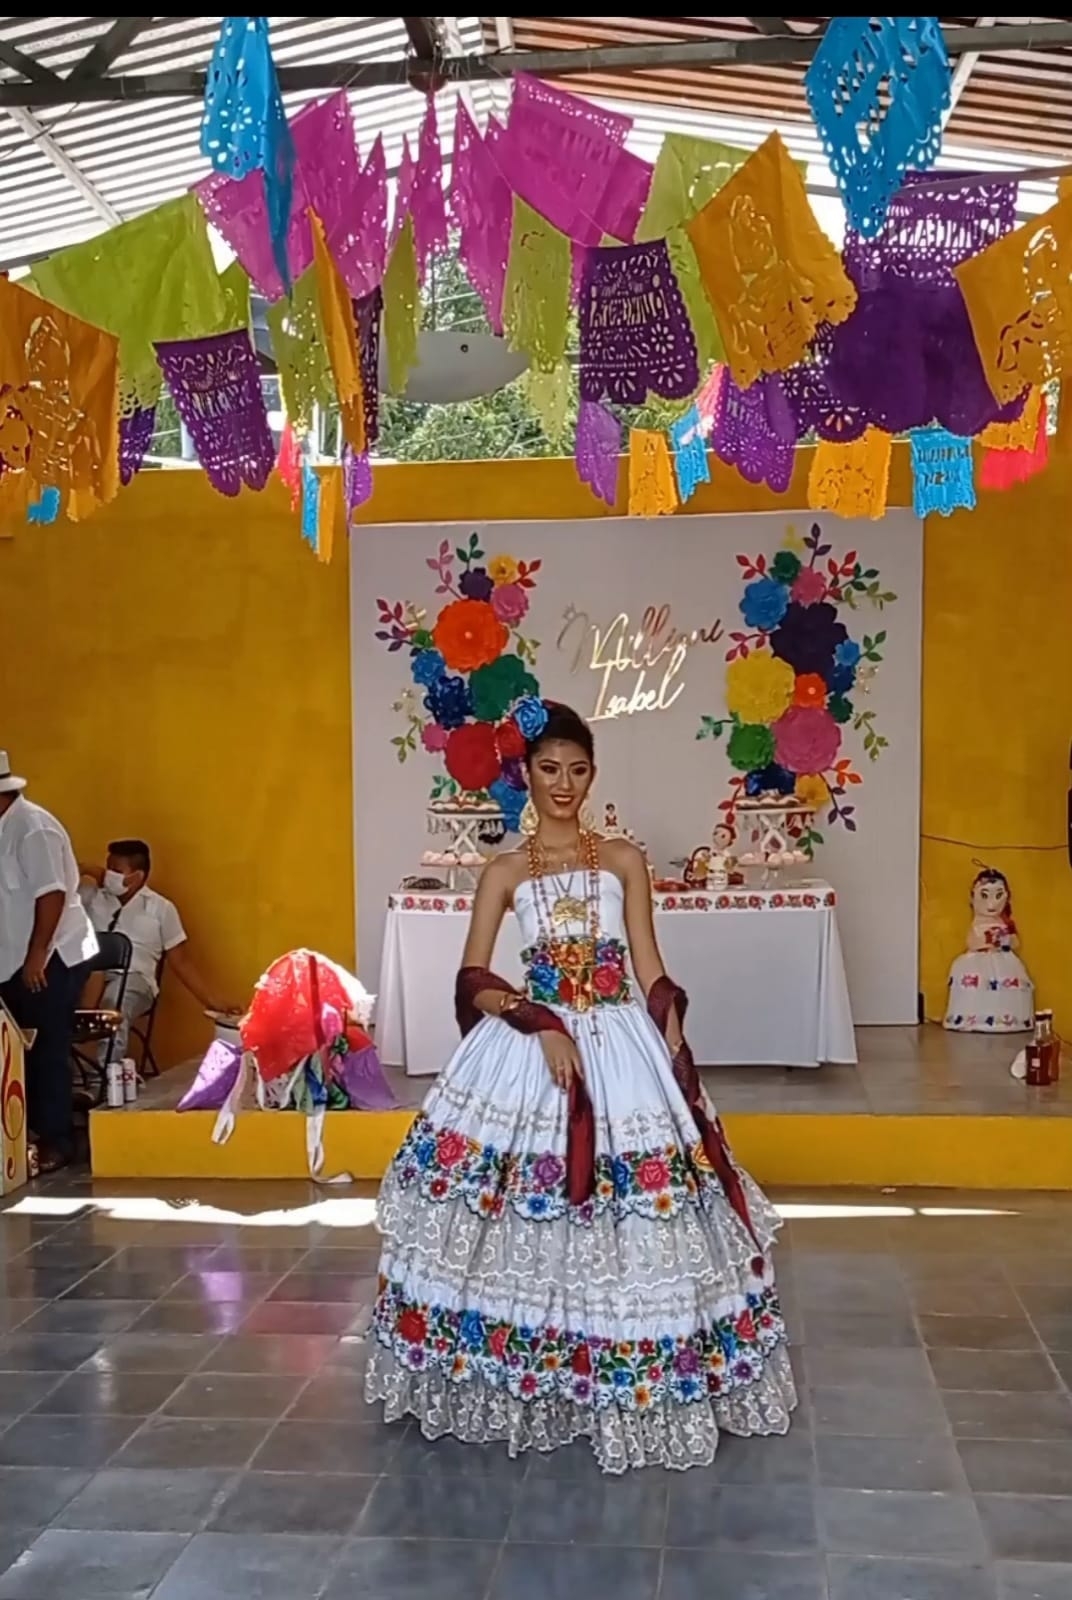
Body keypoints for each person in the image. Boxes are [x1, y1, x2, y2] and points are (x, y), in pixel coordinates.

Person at [365, 703, 796, 1472]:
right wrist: (539, 1022)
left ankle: (629, 1366)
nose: (563, 784)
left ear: (593, 774)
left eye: (578, 769)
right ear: (525, 773)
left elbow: (647, 964)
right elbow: (473, 979)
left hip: (619, 1040)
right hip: (538, 1047)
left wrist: (670, 1022)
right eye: (548, 768)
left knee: (636, 1213)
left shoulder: (623, 859)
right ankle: (540, 1375)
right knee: (523, 1214)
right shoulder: (502, 871)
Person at [0, 752, 98, 1172]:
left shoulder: (31, 828)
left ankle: (57, 1140)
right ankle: (23, 1136)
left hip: (49, 956)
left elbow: (51, 894)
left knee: (45, 1047)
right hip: (13, 957)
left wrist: (37, 953)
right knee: (15, 1049)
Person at [80, 839, 238, 1061]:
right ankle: (67, 1079)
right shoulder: (92, 896)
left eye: (116, 871)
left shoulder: (161, 909)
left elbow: (181, 961)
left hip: (135, 979)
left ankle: (103, 1082)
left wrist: (211, 1001)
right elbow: (60, 893)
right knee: (57, 1000)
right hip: (90, 975)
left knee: (115, 1003)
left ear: (137, 876)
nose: (109, 875)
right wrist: (90, 872)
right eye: (107, 868)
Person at [944, 865, 1034, 1033]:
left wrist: (1004, 940)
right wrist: (987, 941)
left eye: (999, 895)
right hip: (978, 961)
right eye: (984, 896)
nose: (991, 903)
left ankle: (1007, 1020)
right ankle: (973, 1019)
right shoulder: (977, 923)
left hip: (1004, 960)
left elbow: (1015, 943)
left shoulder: (1006, 923)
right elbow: (972, 943)